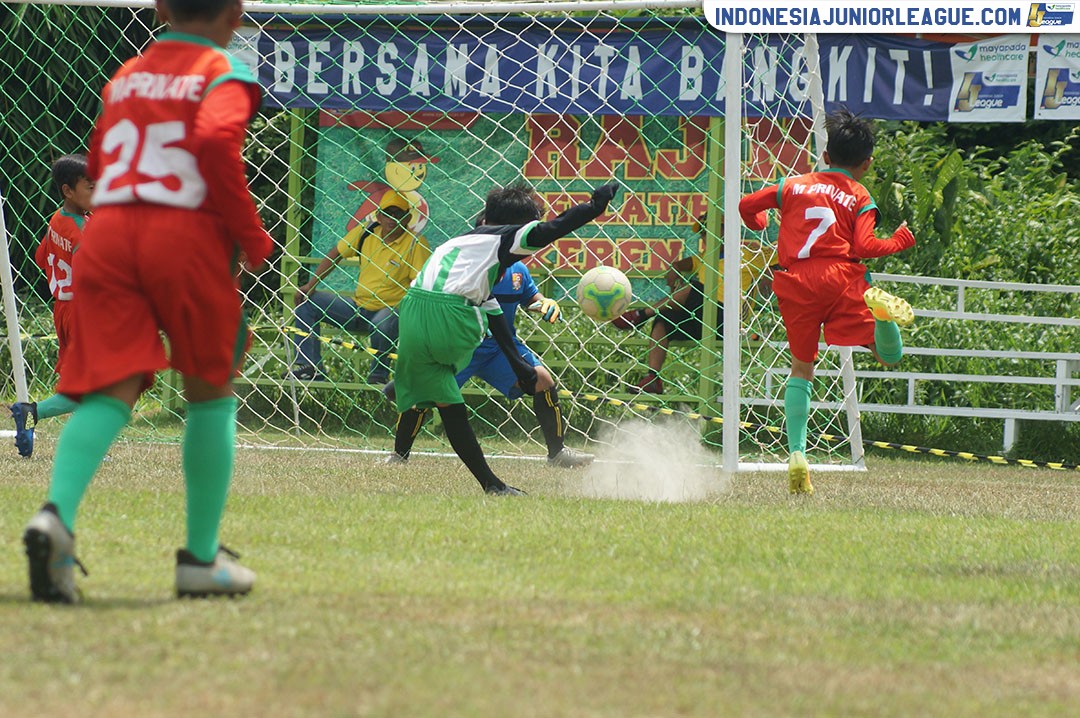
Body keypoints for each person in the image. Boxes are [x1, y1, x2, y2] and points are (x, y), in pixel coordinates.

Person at [21, 0, 274, 603]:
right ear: (237, 13)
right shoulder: (225, 73)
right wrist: (250, 231)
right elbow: (214, 139)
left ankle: (55, 516)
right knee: (209, 390)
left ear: (160, 8)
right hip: (182, 235)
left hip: (107, 235)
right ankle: (200, 560)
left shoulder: (127, 75)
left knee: (113, 385)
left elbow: (104, 156)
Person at [391, 180, 617, 495]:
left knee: (450, 407)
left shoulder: (460, 245)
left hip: (414, 309)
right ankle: (410, 384)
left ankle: (493, 486)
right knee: (469, 339)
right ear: (520, 225)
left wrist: (518, 364)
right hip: (454, 315)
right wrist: (594, 208)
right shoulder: (505, 238)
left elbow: (495, 313)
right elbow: (552, 229)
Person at [738, 108, 916, 495]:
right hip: (841, 277)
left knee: (801, 368)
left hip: (795, 280)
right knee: (888, 356)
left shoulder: (791, 185)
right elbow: (866, 246)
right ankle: (882, 317)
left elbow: (746, 205)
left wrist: (760, 224)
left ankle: (798, 453)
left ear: (825, 156)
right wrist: (899, 241)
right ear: (866, 164)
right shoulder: (858, 193)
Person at [385, 256, 593, 469]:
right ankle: (399, 455)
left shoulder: (517, 270)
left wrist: (544, 303)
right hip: (458, 346)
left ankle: (557, 454)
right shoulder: (463, 267)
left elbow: (530, 297)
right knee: (422, 395)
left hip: (500, 348)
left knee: (542, 380)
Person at [613, 214, 776, 394]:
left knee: (694, 288)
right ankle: (653, 378)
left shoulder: (748, 252)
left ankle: (640, 315)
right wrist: (675, 270)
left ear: (726, 230)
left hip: (729, 320)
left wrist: (770, 274)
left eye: (708, 231)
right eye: (702, 232)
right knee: (663, 320)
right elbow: (681, 264)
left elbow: (779, 254)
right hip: (702, 319)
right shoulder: (706, 256)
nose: (704, 237)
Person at [289, 189, 430, 384]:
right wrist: (311, 285)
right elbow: (336, 253)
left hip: (390, 313)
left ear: (407, 218)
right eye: (388, 213)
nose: (392, 219)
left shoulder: (416, 243)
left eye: (399, 214)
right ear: (379, 216)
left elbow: (420, 284)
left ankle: (378, 375)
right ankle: (310, 367)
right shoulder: (366, 232)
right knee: (307, 302)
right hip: (357, 308)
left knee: (386, 320)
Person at [10, 155, 93, 457]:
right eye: (91, 187)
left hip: (63, 309)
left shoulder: (58, 219)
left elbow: (41, 255)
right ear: (68, 190)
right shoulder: (82, 231)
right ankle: (33, 412)